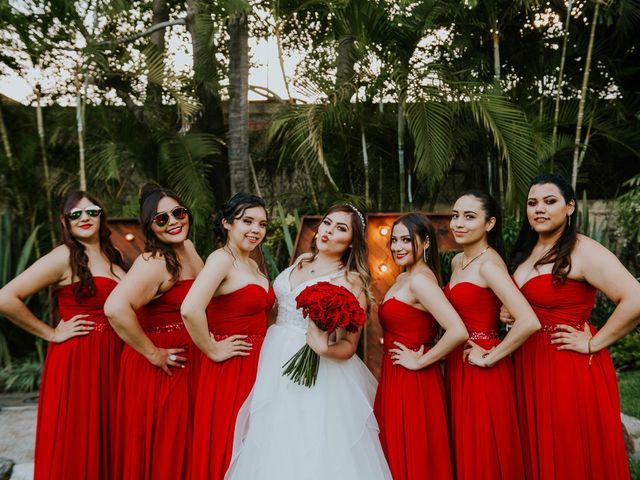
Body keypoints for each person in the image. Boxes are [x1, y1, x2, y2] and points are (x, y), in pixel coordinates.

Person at [225, 204, 392, 479]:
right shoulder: (302, 259)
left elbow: (349, 346)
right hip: (273, 357)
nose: (329, 231)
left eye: (341, 228)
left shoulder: (351, 282)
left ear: (351, 243)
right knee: (272, 434)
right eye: (327, 223)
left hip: (317, 367)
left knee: (312, 439)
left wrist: (323, 347)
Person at [503, 174, 640, 479]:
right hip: (528, 363)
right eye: (532, 203)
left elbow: (635, 298)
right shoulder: (528, 252)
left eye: (550, 202)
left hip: (567, 364)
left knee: (568, 451)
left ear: (569, 207)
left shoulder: (582, 250)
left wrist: (594, 342)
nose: (540, 209)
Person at [0, 191, 126, 480]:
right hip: (80, 360)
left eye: (92, 211)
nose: (85, 218)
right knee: (79, 438)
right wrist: (51, 333)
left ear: (101, 215)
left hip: (114, 359)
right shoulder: (64, 256)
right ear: (64, 221)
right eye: (76, 214)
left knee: (109, 438)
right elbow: (6, 298)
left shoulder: (112, 256)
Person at [105, 183, 203, 480]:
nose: (173, 222)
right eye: (162, 219)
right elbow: (114, 308)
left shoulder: (188, 248)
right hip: (162, 366)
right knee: (167, 447)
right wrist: (153, 353)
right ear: (151, 227)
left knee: (188, 444)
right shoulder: (154, 262)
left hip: (189, 359)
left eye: (178, 213)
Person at [445, 191, 540, 479]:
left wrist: (489, 357)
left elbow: (528, 321)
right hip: (458, 363)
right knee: (465, 448)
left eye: (469, 217)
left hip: (483, 368)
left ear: (489, 224)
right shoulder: (456, 261)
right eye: (455, 215)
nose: (458, 223)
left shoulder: (489, 265)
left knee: (485, 450)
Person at [181, 193, 274, 480]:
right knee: (229, 441)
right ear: (226, 223)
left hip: (259, 365)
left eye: (261, 224)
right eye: (247, 221)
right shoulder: (222, 259)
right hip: (231, 367)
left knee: (254, 445)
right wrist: (212, 349)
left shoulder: (253, 264)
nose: (255, 229)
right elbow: (190, 308)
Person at [374, 212, 468, 480]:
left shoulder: (419, 281)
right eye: (394, 240)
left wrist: (421, 361)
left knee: (413, 456)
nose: (397, 247)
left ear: (426, 243)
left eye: (406, 240)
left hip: (413, 381)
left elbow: (457, 331)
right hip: (396, 376)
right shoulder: (404, 277)